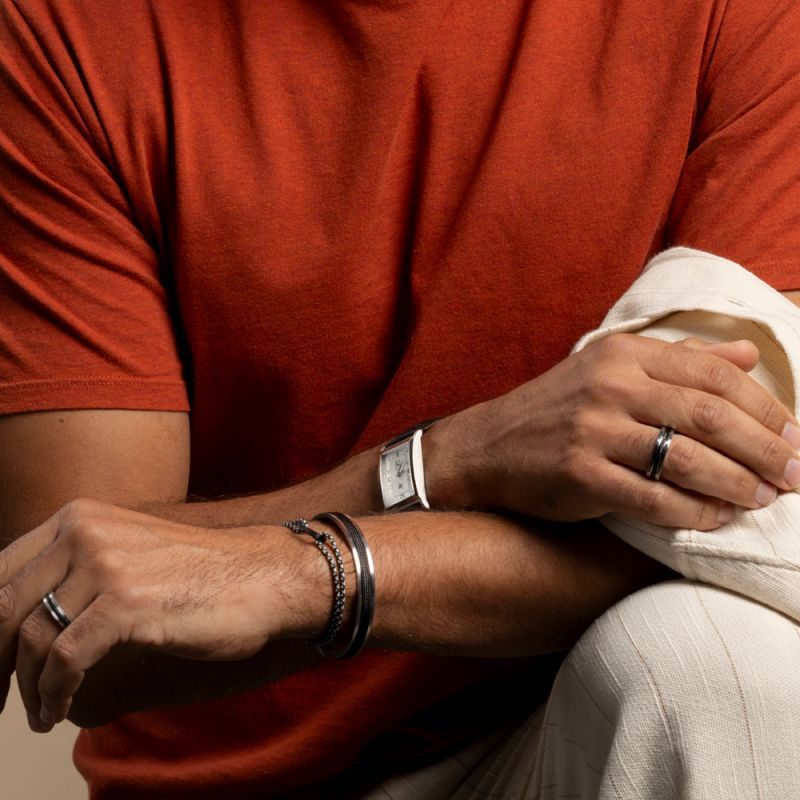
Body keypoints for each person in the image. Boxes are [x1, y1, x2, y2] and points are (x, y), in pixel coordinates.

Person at [1, 0, 799, 798]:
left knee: (713, 662)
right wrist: (451, 460)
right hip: (238, 784)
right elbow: (77, 625)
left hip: (564, 739)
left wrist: (311, 569)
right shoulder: (66, 32)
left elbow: (752, 522)